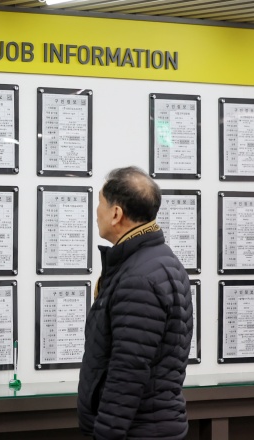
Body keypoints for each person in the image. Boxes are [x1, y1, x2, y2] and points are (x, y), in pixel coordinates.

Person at [78, 166, 193, 440]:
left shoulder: (139, 277)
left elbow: (127, 374)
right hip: (150, 426)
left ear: (116, 214)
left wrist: (104, 435)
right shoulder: (156, 261)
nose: (97, 213)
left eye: (100, 204)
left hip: (138, 432)